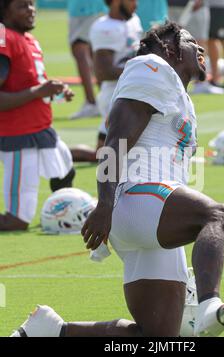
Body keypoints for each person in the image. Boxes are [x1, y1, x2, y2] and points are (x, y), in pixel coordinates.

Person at [11, 22, 224, 337]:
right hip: (136, 200)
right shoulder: (151, 67)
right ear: (169, 47)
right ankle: (210, 306)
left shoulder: (174, 88)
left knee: (158, 338)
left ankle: (51, 331)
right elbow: (116, 140)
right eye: (191, 41)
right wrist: (104, 204)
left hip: (152, 215)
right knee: (216, 214)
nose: (200, 48)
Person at [0, 0, 75, 231]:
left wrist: (55, 93)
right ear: (4, 10)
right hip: (18, 135)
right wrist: (40, 91)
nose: (31, 10)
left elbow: (30, 86)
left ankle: (64, 217)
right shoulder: (4, 36)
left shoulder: (29, 40)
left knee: (65, 173)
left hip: (41, 129)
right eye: (22, 6)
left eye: (32, 4)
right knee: (17, 221)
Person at [70, 0, 143, 163]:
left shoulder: (133, 20)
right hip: (116, 98)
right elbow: (103, 72)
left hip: (129, 93)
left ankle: (57, 154)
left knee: (101, 155)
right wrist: (142, 70)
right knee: (123, 157)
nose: (136, 4)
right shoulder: (104, 28)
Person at [168, 0, 224, 94]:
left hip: (194, 6)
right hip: (173, 5)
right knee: (172, 43)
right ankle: (173, 84)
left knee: (198, 44)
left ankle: (200, 82)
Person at [68, 0, 107, 119]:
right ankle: (104, 100)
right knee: (92, 51)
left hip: (85, 8)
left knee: (79, 48)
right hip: (95, 7)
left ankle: (92, 103)